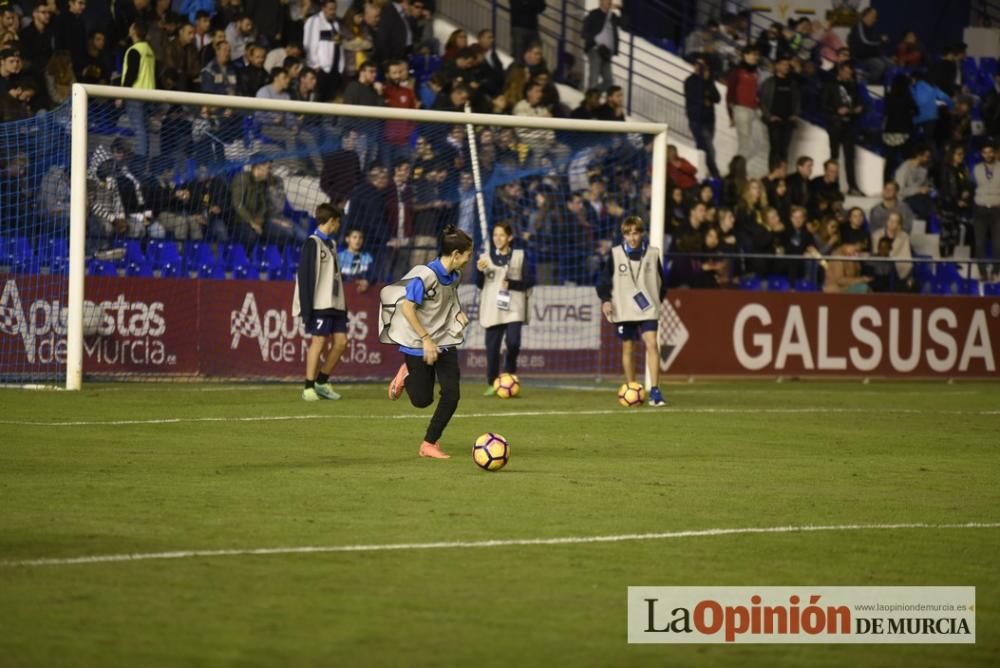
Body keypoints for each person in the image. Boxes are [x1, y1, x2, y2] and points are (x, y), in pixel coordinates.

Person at [383, 225, 474, 460]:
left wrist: (458, 313)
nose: (468, 260)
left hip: (444, 340)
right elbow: (407, 307)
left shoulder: (455, 276)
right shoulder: (425, 275)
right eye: (468, 255)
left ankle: (429, 443)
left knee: (452, 395)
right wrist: (425, 339)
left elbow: (450, 298)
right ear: (455, 255)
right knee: (422, 401)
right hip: (418, 341)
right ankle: (406, 373)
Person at [596, 216, 667, 407]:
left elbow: (661, 282)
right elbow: (603, 281)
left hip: (648, 309)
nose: (632, 237)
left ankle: (655, 390)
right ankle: (632, 387)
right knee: (628, 347)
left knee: (651, 342)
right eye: (628, 234)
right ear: (624, 235)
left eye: (636, 233)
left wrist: (656, 302)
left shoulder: (652, 253)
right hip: (624, 308)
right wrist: (605, 300)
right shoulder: (615, 254)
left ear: (642, 233)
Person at [294, 203, 348, 402]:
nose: (338, 226)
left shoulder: (332, 245)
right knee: (319, 341)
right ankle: (308, 386)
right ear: (332, 221)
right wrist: (306, 307)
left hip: (336, 304)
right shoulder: (312, 243)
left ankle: (322, 381)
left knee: (341, 343)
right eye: (337, 222)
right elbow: (305, 277)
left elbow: (335, 276)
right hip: (320, 303)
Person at [476, 222, 535, 396]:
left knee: (513, 343)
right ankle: (492, 382)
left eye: (501, 235)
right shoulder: (484, 258)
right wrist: (479, 272)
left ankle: (508, 374)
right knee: (492, 349)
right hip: (493, 309)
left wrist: (512, 284)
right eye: (495, 235)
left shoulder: (520, 256)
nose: (498, 238)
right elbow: (480, 285)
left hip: (514, 308)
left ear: (509, 237)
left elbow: (530, 281)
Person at [821, 61, 865, 196]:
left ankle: (852, 186)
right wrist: (836, 110)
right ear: (839, 71)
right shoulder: (830, 85)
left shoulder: (853, 86)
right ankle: (832, 185)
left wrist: (858, 109)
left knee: (850, 158)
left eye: (850, 72)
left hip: (849, 125)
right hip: (835, 124)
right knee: (834, 156)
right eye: (846, 72)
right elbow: (823, 105)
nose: (848, 74)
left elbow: (859, 103)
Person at [759, 56, 800, 168]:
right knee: (775, 149)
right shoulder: (769, 83)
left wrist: (795, 115)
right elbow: (762, 102)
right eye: (783, 64)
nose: (786, 67)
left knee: (784, 150)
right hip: (774, 121)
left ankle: (782, 176)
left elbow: (797, 100)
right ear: (777, 66)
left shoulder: (792, 83)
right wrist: (769, 116)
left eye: (787, 65)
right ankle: (773, 174)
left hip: (788, 121)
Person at [684, 55, 721, 178]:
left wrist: (707, 81)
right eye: (697, 64)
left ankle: (705, 174)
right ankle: (716, 175)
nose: (699, 67)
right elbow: (694, 97)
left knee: (704, 149)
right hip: (697, 119)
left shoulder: (708, 81)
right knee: (709, 149)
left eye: (702, 65)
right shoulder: (690, 81)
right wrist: (705, 97)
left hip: (709, 120)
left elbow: (717, 98)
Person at [725, 46, 760, 159]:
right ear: (744, 56)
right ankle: (738, 171)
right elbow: (730, 94)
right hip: (740, 109)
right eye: (752, 54)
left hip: (754, 110)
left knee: (758, 142)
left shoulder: (756, 73)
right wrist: (731, 115)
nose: (754, 57)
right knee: (744, 143)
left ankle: (737, 167)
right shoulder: (737, 72)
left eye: (756, 55)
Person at [973, 143, 1000, 281]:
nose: (988, 154)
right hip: (980, 209)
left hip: (997, 210)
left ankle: (996, 271)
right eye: (985, 152)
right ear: (982, 154)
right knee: (979, 243)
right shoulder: (976, 168)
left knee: (997, 244)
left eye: (990, 152)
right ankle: (983, 273)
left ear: (994, 153)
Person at [582, 0, 618, 91]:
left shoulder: (612, 16)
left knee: (609, 81)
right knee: (594, 78)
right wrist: (596, 41)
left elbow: (625, 24)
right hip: (595, 50)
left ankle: (593, 94)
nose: (609, 2)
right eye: (607, 0)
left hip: (607, 52)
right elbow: (584, 33)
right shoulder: (593, 14)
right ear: (601, 2)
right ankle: (592, 99)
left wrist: (620, 9)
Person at [339, 227, 376, 292]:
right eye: (354, 237)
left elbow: (373, 274)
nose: (358, 240)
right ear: (347, 239)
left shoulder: (368, 257)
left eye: (360, 237)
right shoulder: (339, 256)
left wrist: (367, 281)